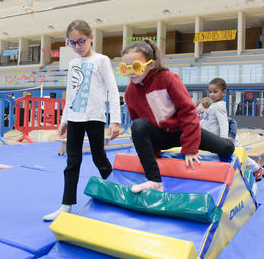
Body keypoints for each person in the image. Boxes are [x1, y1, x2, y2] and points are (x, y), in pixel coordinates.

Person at [119, 39, 234, 193]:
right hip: (161, 137)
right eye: (125, 68)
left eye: (136, 67)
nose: (131, 72)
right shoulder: (130, 94)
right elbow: (139, 126)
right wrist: (153, 154)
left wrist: (190, 148)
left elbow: (188, 112)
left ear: (151, 65)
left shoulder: (168, 79)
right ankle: (154, 180)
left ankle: (231, 146)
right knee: (138, 125)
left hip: (182, 131)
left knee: (226, 148)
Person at [43, 20, 121, 221]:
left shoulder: (102, 60)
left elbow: (113, 90)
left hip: (95, 117)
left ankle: (116, 197)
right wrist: (64, 120)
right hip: (75, 117)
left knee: (99, 158)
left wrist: (115, 120)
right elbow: (71, 93)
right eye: (72, 43)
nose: (77, 47)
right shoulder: (72, 63)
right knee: (72, 161)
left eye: (81, 41)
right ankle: (66, 204)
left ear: (91, 38)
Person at [196, 94, 262, 182]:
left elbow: (233, 123)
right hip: (219, 141)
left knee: (237, 155)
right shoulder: (202, 122)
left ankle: (257, 168)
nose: (199, 115)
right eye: (198, 113)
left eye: (202, 113)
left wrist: (231, 137)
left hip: (231, 140)